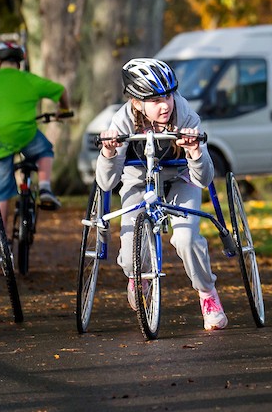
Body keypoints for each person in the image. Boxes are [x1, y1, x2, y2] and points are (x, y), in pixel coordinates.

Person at [96, 58, 228, 331]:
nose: (165, 105)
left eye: (168, 96)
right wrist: (108, 152)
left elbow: (203, 179)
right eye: (155, 100)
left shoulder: (186, 114)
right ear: (136, 102)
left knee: (186, 238)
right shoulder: (122, 120)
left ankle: (207, 294)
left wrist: (194, 151)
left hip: (181, 179)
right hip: (138, 181)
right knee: (131, 253)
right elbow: (106, 183)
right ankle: (137, 277)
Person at [0, 41, 71, 234]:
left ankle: (2, 240)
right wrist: (63, 109)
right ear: (18, 63)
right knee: (44, 150)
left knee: (1, 193)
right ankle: (45, 187)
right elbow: (60, 90)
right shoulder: (27, 79)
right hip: (25, 135)